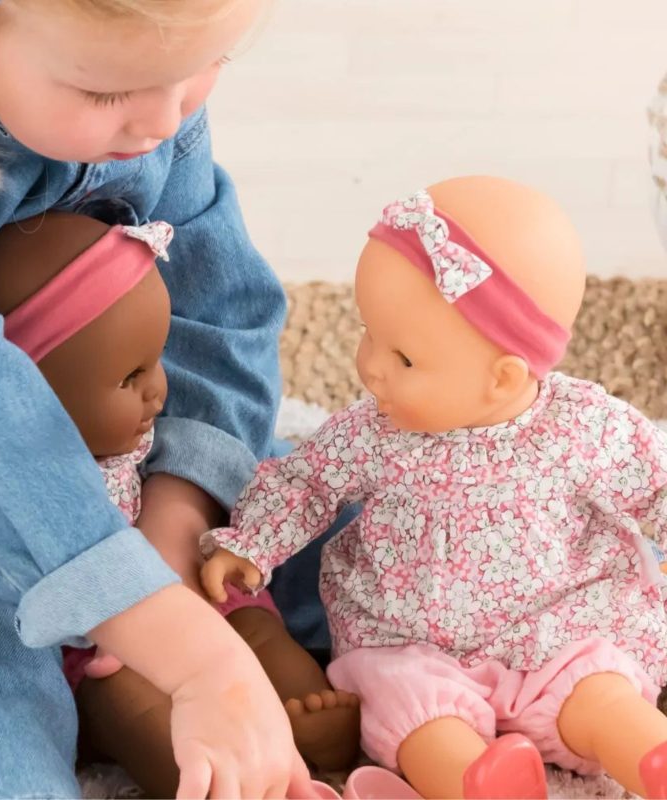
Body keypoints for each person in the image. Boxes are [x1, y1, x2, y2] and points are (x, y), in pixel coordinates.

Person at [0, 0, 314, 796]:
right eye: (106, 93)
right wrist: (188, 653)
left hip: (130, 456)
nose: (162, 121)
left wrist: (176, 519)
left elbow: (220, 320)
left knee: (347, 505)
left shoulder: (156, 107)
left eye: (203, 69)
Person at [202, 176, 667, 799]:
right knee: (409, 713)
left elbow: (656, 482)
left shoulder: (583, 427)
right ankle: (479, 782)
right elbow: (305, 482)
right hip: (410, 642)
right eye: (370, 334)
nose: (369, 366)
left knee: (601, 688)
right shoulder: (372, 434)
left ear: (502, 379)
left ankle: (646, 752)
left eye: (404, 359)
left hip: (558, 628)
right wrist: (251, 542)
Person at [0, 211, 360, 796]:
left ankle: (312, 723)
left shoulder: (144, 438)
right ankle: (207, 780)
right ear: (34, 397)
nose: (159, 389)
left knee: (258, 630)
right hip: (102, 647)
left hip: (195, 588)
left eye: (155, 361)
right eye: (131, 376)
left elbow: (223, 467)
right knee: (131, 704)